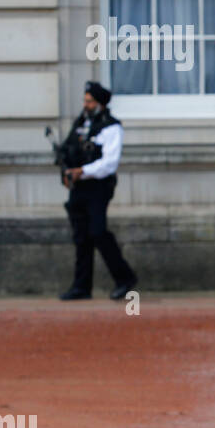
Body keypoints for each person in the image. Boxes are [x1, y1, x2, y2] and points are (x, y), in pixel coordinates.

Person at [58, 81, 138, 301]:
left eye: (90, 101)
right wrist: (67, 172)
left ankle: (125, 278)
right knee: (81, 236)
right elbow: (68, 150)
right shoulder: (81, 123)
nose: (86, 104)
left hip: (98, 187)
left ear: (100, 103)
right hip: (79, 186)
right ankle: (82, 286)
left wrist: (81, 170)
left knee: (98, 232)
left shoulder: (112, 127)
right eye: (85, 100)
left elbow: (109, 164)